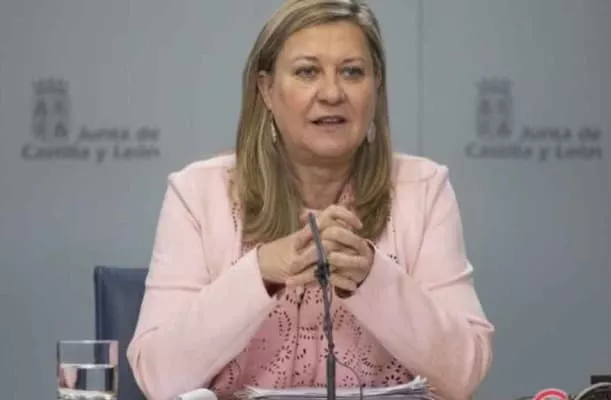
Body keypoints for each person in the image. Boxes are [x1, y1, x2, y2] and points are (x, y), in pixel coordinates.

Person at [126, 1, 494, 399]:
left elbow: (465, 372)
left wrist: (373, 277)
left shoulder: (422, 189)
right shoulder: (199, 194)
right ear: (266, 90)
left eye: (352, 72)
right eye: (307, 72)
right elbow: (158, 378)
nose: (332, 93)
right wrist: (261, 272)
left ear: (376, 86)